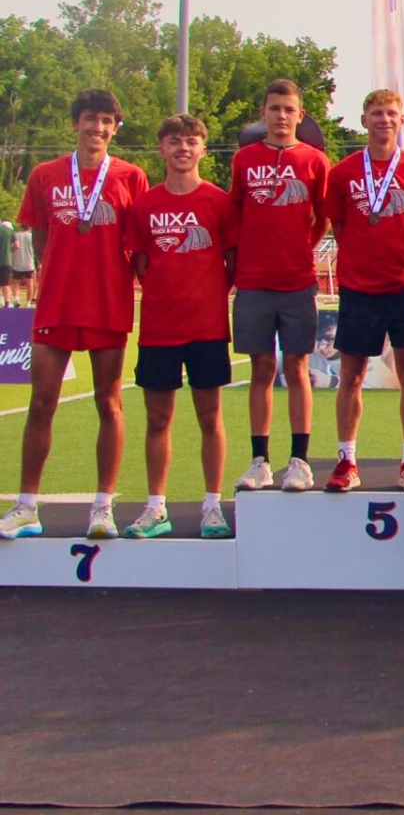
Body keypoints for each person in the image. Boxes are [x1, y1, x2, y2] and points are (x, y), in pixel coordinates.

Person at [0, 89, 150, 541]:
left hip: (108, 304)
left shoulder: (131, 176)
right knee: (41, 403)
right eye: (90, 119)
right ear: (75, 123)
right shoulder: (46, 175)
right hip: (57, 305)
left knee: (110, 403)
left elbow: (138, 245)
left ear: (115, 128)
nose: (97, 128)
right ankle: (27, 507)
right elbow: (41, 243)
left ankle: (103, 508)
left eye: (106, 121)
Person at [123, 114, 236, 539]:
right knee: (158, 420)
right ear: (162, 149)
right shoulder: (144, 205)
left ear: (203, 149)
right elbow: (141, 263)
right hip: (158, 329)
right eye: (174, 141)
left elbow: (231, 265)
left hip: (206, 327)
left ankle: (212, 506)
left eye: (191, 141)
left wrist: (203, 297)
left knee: (211, 417)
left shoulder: (219, 202)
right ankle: (156, 508)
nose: (183, 148)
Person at [321, 90, 404, 493]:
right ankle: (346, 461)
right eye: (376, 113)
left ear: (402, 122)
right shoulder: (343, 172)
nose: (384, 120)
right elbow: (339, 223)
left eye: (391, 114)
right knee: (351, 376)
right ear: (364, 120)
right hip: (359, 289)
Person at [229, 79, 329, 492]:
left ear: (300, 115)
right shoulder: (244, 160)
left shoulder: (314, 160)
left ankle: (300, 461)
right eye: (274, 108)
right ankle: (260, 461)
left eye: (289, 109)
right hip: (253, 282)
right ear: (263, 113)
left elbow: (323, 216)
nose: (282, 116)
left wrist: (300, 248)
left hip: (297, 281)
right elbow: (235, 213)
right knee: (261, 370)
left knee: (297, 367)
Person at [11, 226, 34, 308]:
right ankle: (28, 303)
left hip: (17, 263)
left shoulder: (15, 235)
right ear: (29, 228)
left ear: (21, 227)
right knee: (30, 284)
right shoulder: (31, 236)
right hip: (29, 264)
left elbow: (13, 247)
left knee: (15, 283)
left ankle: (16, 300)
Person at [0, 220, 14, 308]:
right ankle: (7, 303)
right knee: (5, 284)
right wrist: (10, 252)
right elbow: (17, 245)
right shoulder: (9, 231)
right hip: (6, 261)